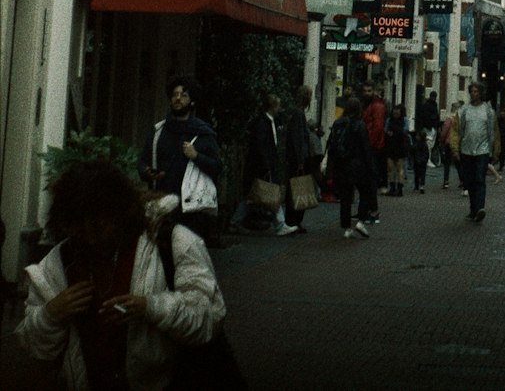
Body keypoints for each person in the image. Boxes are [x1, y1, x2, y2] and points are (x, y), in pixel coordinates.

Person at [16, 158, 225, 389]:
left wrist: (151, 307)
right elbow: (35, 347)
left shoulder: (174, 243)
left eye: (98, 226)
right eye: (79, 228)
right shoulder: (58, 262)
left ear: (119, 213)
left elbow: (208, 319)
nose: (91, 238)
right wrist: (51, 314)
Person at [138, 76, 221, 243]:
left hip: (191, 211)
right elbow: (142, 161)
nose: (178, 98)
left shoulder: (202, 133)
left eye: (183, 95)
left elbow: (217, 167)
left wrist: (196, 156)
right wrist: (147, 172)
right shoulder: (158, 131)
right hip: (161, 204)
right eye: (175, 94)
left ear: (192, 102)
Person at [233, 93, 296, 236]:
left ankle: (235, 222)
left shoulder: (267, 122)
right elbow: (261, 146)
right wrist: (266, 164)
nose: (280, 109)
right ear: (273, 106)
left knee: (252, 197)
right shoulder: (263, 123)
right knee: (270, 194)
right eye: (278, 105)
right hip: (260, 167)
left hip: (260, 166)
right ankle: (280, 225)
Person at [326, 95, 377, 239]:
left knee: (345, 197)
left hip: (341, 165)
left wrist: (331, 168)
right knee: (365, 191)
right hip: (357, 165)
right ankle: (361, 221)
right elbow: (365, 148)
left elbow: (332, 146)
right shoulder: (359, 125)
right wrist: (371, 167)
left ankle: (347, 228)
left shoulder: (337, 123)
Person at [458, 83, 495, 222]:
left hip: (482, 150)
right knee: (469, 180)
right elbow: (461, 128)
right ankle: (473, 209)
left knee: (480, 178)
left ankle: (480, 208)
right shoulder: (465, 110)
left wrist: (491, 150)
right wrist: (460, 145)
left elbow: (491, 131)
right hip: (467, 149)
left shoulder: (487, 110)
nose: (474, 94)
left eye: (476, 91)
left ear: (481, 93)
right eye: (472, 91)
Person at [284, 84, 315, 233]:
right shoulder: (298, 114)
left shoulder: (295, 112)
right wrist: (301, 161)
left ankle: (294, 220)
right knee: (298, 188)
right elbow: (298, 138)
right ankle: (293, 220)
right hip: (298, 160)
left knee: (295, 188)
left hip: (295, 158)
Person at [362, 85, 387, 201]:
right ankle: (366, 209)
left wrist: (369, 144)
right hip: (369, 144)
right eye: (364, 91)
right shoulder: (368, 105)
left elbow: (377, 127)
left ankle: (371, 209)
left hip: (372, 145)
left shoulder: (377, 106)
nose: (366, 93)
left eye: (369, 90)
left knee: (370, 177)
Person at [384, 103, 411, 197]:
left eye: (397, 110)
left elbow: (405, 131)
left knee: (399, 168)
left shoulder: (404, 120)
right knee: (390, 168)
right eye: (394, 110)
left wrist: (394, 132)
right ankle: (392, 188)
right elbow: (385, 130)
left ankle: (399, 189)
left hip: (400, 146)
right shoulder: (389, 120)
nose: (395, 112)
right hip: (390, 146)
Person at [439, 104, 460, 189]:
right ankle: (462, 180)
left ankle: (446, 181)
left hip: (449, 142)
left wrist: (441, 140)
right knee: (458, 163)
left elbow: (444, 131)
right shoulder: (460, 119)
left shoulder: (449, 119)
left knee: (447, 163)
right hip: (458, 143)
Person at [412, 128, 430, 192]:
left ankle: (416, 186)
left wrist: (414, 160)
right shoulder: (425, 145)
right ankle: (422, 186)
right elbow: (427, 154)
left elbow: (413, 153)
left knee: (416, 175)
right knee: (423, 174)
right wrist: (426, 160)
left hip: (417, 161)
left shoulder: (415, 145)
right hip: (423, 162)